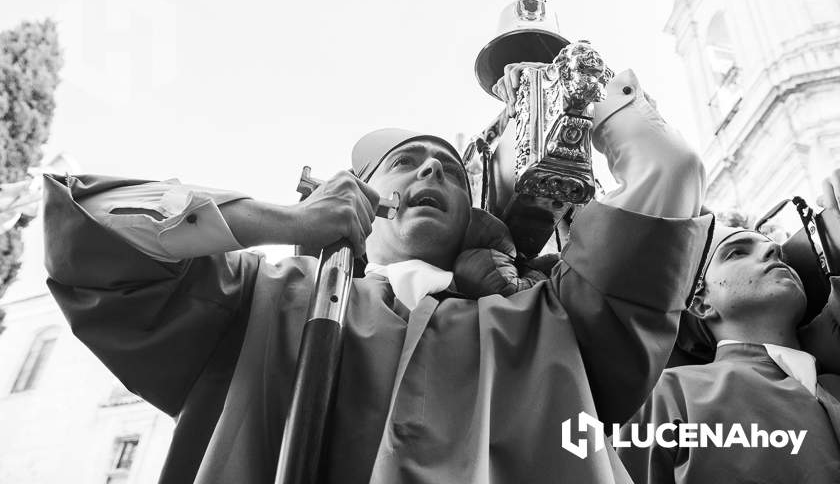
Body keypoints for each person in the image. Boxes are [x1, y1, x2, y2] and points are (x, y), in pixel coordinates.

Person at [43, 65, 711, 484]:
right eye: (408, 162)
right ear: (356, 195)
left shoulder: (550, 318)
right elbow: (92, 224)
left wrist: (587, 95)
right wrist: (286, 224)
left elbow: (669, 174)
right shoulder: (261, 301)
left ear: (466, 216)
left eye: (449, 171)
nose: (429, 173)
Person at [618, 171, 840, 484]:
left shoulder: (831, 379)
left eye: (776, 247)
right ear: (701, 303)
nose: (771, 250)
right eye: (736, 252)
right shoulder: (667, 397)